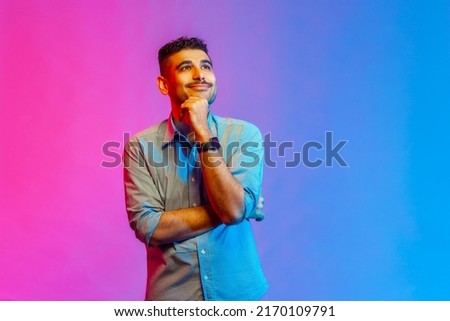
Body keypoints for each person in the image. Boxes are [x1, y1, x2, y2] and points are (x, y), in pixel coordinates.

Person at [123, 36, 267, 300]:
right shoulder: (140, 147)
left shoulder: (245, 135)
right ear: (163, 85)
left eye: (207, 66)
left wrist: (202, 132)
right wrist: (235, 209)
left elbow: (234, 209)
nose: (200, 75)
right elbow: (149, 227)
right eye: (186, 67)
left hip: (239, 296)